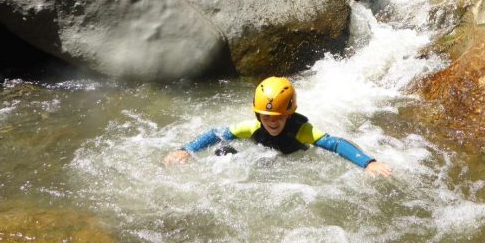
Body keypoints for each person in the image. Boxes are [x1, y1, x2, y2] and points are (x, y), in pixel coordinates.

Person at [164, 76, 393, 177]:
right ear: (258, 114)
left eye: (278, 117)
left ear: (289, 114)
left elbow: (335, 144)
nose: (271, 121)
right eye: (265, 117)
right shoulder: (252, 127)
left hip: (293, 161)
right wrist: (186, 149)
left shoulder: (302, 131)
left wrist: (369, 163)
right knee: (223, 153)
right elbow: (215, 133)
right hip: (260, 157)